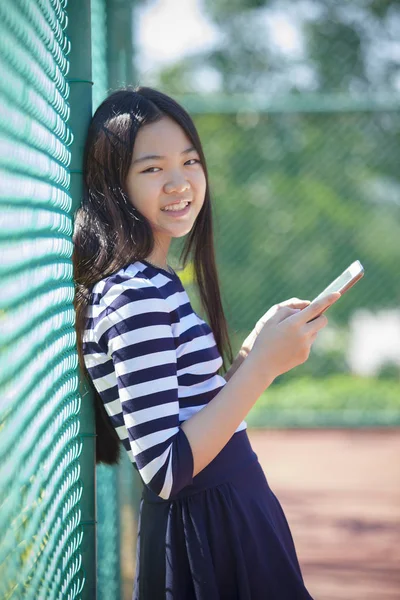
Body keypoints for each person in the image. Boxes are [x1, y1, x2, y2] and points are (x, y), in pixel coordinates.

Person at [72, 86, 340, 600]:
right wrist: (262, 368)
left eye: (190, 161)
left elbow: (187, 412)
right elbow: (167, 468)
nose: (179, 182)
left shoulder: (153, 283)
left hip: (219, 517)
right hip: (205, 532)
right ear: (115, 185)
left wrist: (247, 359)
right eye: (152, 168)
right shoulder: (134, 295)